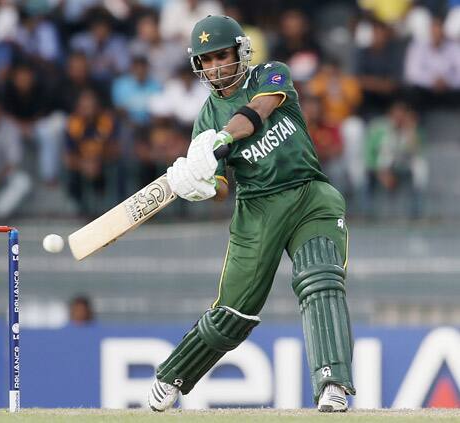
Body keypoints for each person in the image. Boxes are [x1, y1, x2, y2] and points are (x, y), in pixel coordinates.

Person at [148, 15, 356, 413]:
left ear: (240, 51)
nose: (215, 68)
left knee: (321, 279)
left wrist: (226, 137)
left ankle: (332, 384)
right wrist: (201, 183)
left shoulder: (269, 74)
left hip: (309, 195)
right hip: (257, 210)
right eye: (206, 61)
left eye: (221, 56)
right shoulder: (205, 119)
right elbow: (221, 190)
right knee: (233, 314)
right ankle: (173, 371)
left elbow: (259, 109)